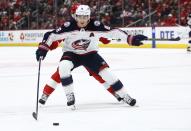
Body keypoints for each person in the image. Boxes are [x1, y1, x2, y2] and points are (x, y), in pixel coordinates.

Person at [36, 5, 147, 109]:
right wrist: (43, 48)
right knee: (63, 67)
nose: (82, 20)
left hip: (90, 55)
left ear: (89, 16)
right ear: (75, 16)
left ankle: (124, 95)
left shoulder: (96, 25)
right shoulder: (68, 26)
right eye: (80, 17)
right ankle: (69, 96)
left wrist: (130, 39)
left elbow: (113, 32)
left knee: (107, 74)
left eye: (85, 17)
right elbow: (51, 35)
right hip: (71, 54)